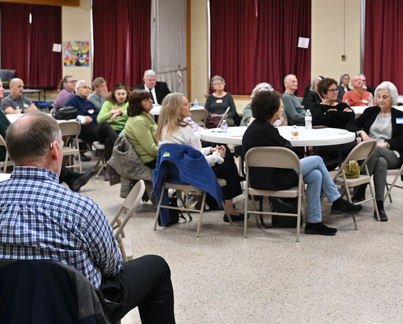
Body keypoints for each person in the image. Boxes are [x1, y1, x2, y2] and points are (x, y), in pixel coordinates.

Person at [0, 114, 184, 324]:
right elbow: (112, 267)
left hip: (9, 317)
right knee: (156, 267)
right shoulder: (79, 207)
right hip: (75, 316)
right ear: (54, 150)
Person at [241, 90, 347, 236]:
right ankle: (336, 200)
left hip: (259, 179)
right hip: (274, 180)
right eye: (280, 107)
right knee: (317, 160)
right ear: (272, 110)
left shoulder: (255, 128)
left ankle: (314, 222)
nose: (282, 109)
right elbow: (288, 150)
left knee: (316, 175)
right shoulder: (268, 131)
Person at [156, 93, 243, 222]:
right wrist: (216, 156)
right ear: (176, 109)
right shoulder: (186, 130)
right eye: (186, 104)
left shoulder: (163, 129)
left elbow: (188, 155)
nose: (190, 106)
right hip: (190, 175)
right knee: (229, 164)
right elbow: (198, 163)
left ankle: (220, 202)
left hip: (172, 175)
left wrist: (211, 150)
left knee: (225, 158)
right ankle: (229, 209)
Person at [347, 82, 403, 221]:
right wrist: (362, 132)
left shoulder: (400, 116)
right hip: (373, 155)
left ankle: (360, 189)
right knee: (380, 162)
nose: (381, 100)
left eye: (385, 97)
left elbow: (402, 141)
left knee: (375, 150)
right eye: (378, 96)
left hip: (393, 154)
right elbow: (350, 124)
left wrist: (383, 144)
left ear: (392, 98)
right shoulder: (371, 112)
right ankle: (379, 206)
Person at [309, 77, 356, 168]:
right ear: (324, 93)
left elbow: (351, 117)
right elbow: (319, 120)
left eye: (336, 90)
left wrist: (331, 113)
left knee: (354, 146)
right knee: (341, 149)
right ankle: (328, 168)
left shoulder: (342, 105)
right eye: (332, 90)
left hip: (344, 140)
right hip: (325, 141)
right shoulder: (316, 107)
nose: (335, 92)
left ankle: (326, 167)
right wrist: (341, 115)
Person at [68, 80, 117, 161]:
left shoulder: (89, 102)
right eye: (85, 87)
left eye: (88, 88)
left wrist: (90, 118)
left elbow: (98, 116)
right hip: (83, 131)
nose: (87, 89)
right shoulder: (72, 101)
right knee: (105, 126)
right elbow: (70, 116)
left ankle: (109, 164)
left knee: (108, 139)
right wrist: (83, 118)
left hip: (95, 128)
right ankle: (120, 145)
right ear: (77, 89)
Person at [123, 90, 159, 168]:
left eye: (150, 98)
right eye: (146, 100)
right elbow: (152, 150)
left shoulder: (147, 116)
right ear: (138, 104)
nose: (151, 101)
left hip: (155, 156)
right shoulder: (139, 121)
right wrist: (169, 151)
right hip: (149, 161)